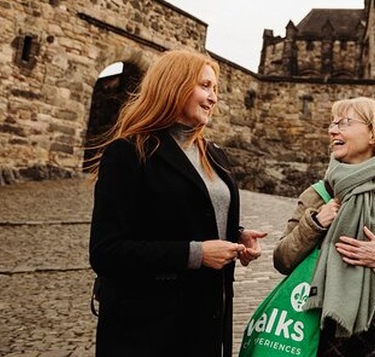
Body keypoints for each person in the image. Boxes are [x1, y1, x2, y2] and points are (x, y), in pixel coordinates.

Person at [87, 49, 267, 357]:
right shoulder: (128, 152)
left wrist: (235, 235)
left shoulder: (214, 154)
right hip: (149, 327)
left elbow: (188, 212)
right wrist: (197, 254)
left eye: (215, 89)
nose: (213, 98)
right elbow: (106, 251)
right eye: (205, 86)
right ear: (175, 85)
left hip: (207, 319)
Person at [273, 96, 375, 356]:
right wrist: (315, 223)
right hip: (320, 332)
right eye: (332, 123)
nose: (333, 130)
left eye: (344, 123)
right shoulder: (317, 195)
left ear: (373, 134)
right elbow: (282, 260)